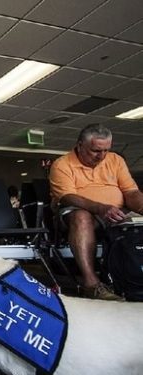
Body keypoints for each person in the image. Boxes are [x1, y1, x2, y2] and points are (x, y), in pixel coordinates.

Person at [50, 123, 143, 301]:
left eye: (106, 150)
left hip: (116, 211)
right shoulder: (62, 164)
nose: (102, 156)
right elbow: (67, 197)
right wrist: (101, 208)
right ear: (80, 146)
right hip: (77, 212)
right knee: (81, 216)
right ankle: (91, 284)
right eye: (95, 151)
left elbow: (131, 192)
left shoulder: (115, 160)